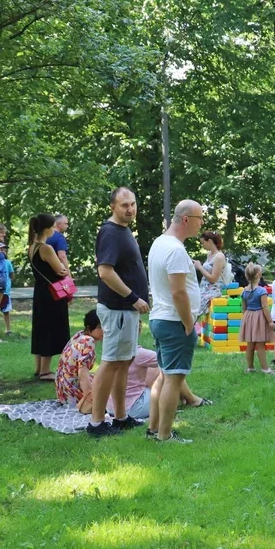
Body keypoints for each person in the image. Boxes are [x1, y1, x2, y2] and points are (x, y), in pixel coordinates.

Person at [91, 188, 150, 438]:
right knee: (111, 362)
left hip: (126, 311)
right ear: (112, 207)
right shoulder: (110, 233)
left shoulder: (124, 230)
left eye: (133, 204)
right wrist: (133, 297)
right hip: (118, 309)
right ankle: (96, 423)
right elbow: (105, 272)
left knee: (124, 362)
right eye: (124, 205)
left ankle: (121, 416)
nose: (130, 209)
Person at [146, 199, 204, 444]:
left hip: (160, 317)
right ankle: (165, 435)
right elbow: (178, 292)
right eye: (201, 218)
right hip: (174, 321)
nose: (202, 224)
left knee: (164, 375)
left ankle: (153, 429)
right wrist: (189, 322)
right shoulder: (176, 250)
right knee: (174, 378)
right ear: (187, 220)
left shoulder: (160, 242)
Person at [113, 347, 210, 419]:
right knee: (167, 371)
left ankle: (187, 398)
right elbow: (171, 362)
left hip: (111, 408)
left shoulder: (112, 351)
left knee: (156, 369)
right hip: (133, 409)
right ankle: (191, 399)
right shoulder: (139, 353)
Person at [28, 214, 70, 381]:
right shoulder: (46, 248)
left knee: (40, 327)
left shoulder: (33, 246)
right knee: (50, 328)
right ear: (46, 229)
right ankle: (45, 371)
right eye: (53, 227)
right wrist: (64, 271)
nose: (54, 230)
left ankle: (39, 368)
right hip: (52, 293)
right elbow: (60, 269)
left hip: (40, 291)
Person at [55, 309, 103, 413]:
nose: (104, 330)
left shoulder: (80, 335)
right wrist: (90, 399)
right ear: (89, 328)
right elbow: (82, 375)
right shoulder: (88, 341)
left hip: (63, 389)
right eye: (100, 327)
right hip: (72, 391)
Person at [240, 263, 275, 374]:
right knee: (260, 344)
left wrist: (246, 319)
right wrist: (270, 321)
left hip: (248, 316)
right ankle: (266, 369)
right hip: (259, 318)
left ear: (247, 276)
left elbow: (243, 308)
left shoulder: (244, 291)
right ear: (259, 274)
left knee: (250, 344)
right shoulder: (262, 291)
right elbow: (265, 307)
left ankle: (250, 368)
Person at [193, 231, 230, 319]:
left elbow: (213, 279)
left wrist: (200, 267)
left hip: (213, 289)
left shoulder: (219, 257)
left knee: (195, 309)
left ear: (209, 241)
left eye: (203, 243)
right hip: (204, 287)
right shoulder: (209, 254)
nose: (203, 245)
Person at [0, 243, 14, 338]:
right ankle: (8, 329)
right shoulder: (7, 262)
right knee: (6, 310)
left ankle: (8, 329)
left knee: (5, 310)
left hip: (2, 291)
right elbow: (12, 275)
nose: (3, 251)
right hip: (4, 290)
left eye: (4, 250)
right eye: (1, 249)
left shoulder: (7, 262)